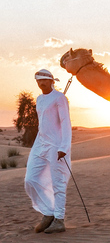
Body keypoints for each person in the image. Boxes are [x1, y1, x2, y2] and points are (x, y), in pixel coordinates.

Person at [24, 69, 72, 234]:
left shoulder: (60, 98)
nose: (41, 83)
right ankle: (48, 212)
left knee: (58, 182)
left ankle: (59, 219)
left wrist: (63, 147)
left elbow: (65, 123)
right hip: (41, 142)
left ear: (51, 81)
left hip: (56, 145)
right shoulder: (39, 99)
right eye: (38, 80)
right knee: (30, 179)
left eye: (44, 80)